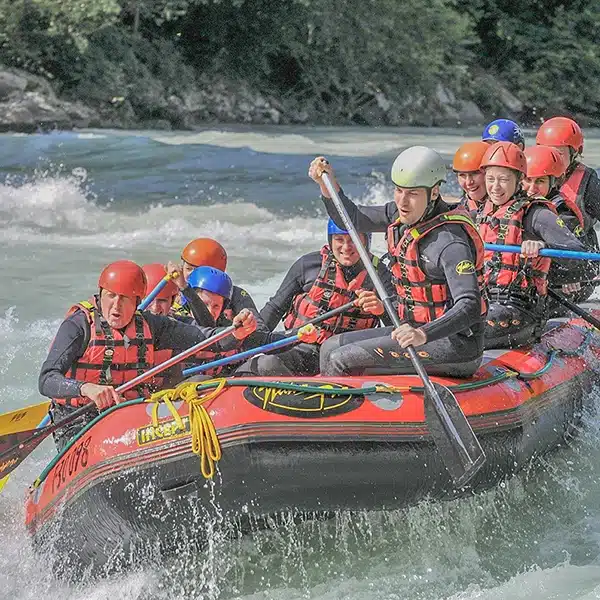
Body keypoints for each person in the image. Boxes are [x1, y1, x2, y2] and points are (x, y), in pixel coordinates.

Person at [309, 146, 488, 378]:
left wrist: (423, 334)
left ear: (434, 193)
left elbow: (470, 306)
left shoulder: (450, 242)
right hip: (411, 331)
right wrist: (327, 184)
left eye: (412, 193)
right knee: (330, 346)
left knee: (341, 359)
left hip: (456, 345)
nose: (403, 202)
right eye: (398, 191)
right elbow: (352, 219)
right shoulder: (401, 214)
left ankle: (348, 412)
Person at [39, 260, 257, 450]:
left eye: (124, 299)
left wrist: (237, 333)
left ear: (136, 302)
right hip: (77, 419)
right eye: (110, 296)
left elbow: (206, 339)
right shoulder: (78, 326)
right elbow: (47, 378)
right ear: (100, 295)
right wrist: (86, 388)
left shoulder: (152, 326)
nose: (116, 306)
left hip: (127, 413)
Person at [239, 219, 393, 376]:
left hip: (349, 356)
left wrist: (381, 310)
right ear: (330, 240)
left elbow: (398, 326)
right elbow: (274, 309)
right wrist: (252, 342)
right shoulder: (309, 265)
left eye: (354, 240)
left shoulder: (380, 274)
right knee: (266, 364)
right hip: (305, 350)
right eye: (339, 239)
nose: (346, 247)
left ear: (366, 241)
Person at [477, 142, 587, 349]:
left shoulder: (536, 214)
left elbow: (581, 260)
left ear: (518, 180)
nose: (495, 187)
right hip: (484, 302)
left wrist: (543, 249)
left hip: (521, 311)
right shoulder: (483, 212)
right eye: (490, 179)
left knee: (464, 330)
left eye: (503, 180)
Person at [174, 237, 269, 337]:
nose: (191, 276)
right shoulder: (170, 292)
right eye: (188, 269)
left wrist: (246, 322)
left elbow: (259, 331)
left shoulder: (236, 295)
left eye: (199, 271)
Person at [536, 117, 600, 252]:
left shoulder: (588, 181)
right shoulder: (530, 177)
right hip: (541, 254)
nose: (551, 160)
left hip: (578, 256)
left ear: (575, 152)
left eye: (558, 154)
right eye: (547, 152)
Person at [452, 141, 489, 218]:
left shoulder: (516, 211)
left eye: (475, 173)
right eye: (462, 175)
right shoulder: (459, 211)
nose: (469, 182)